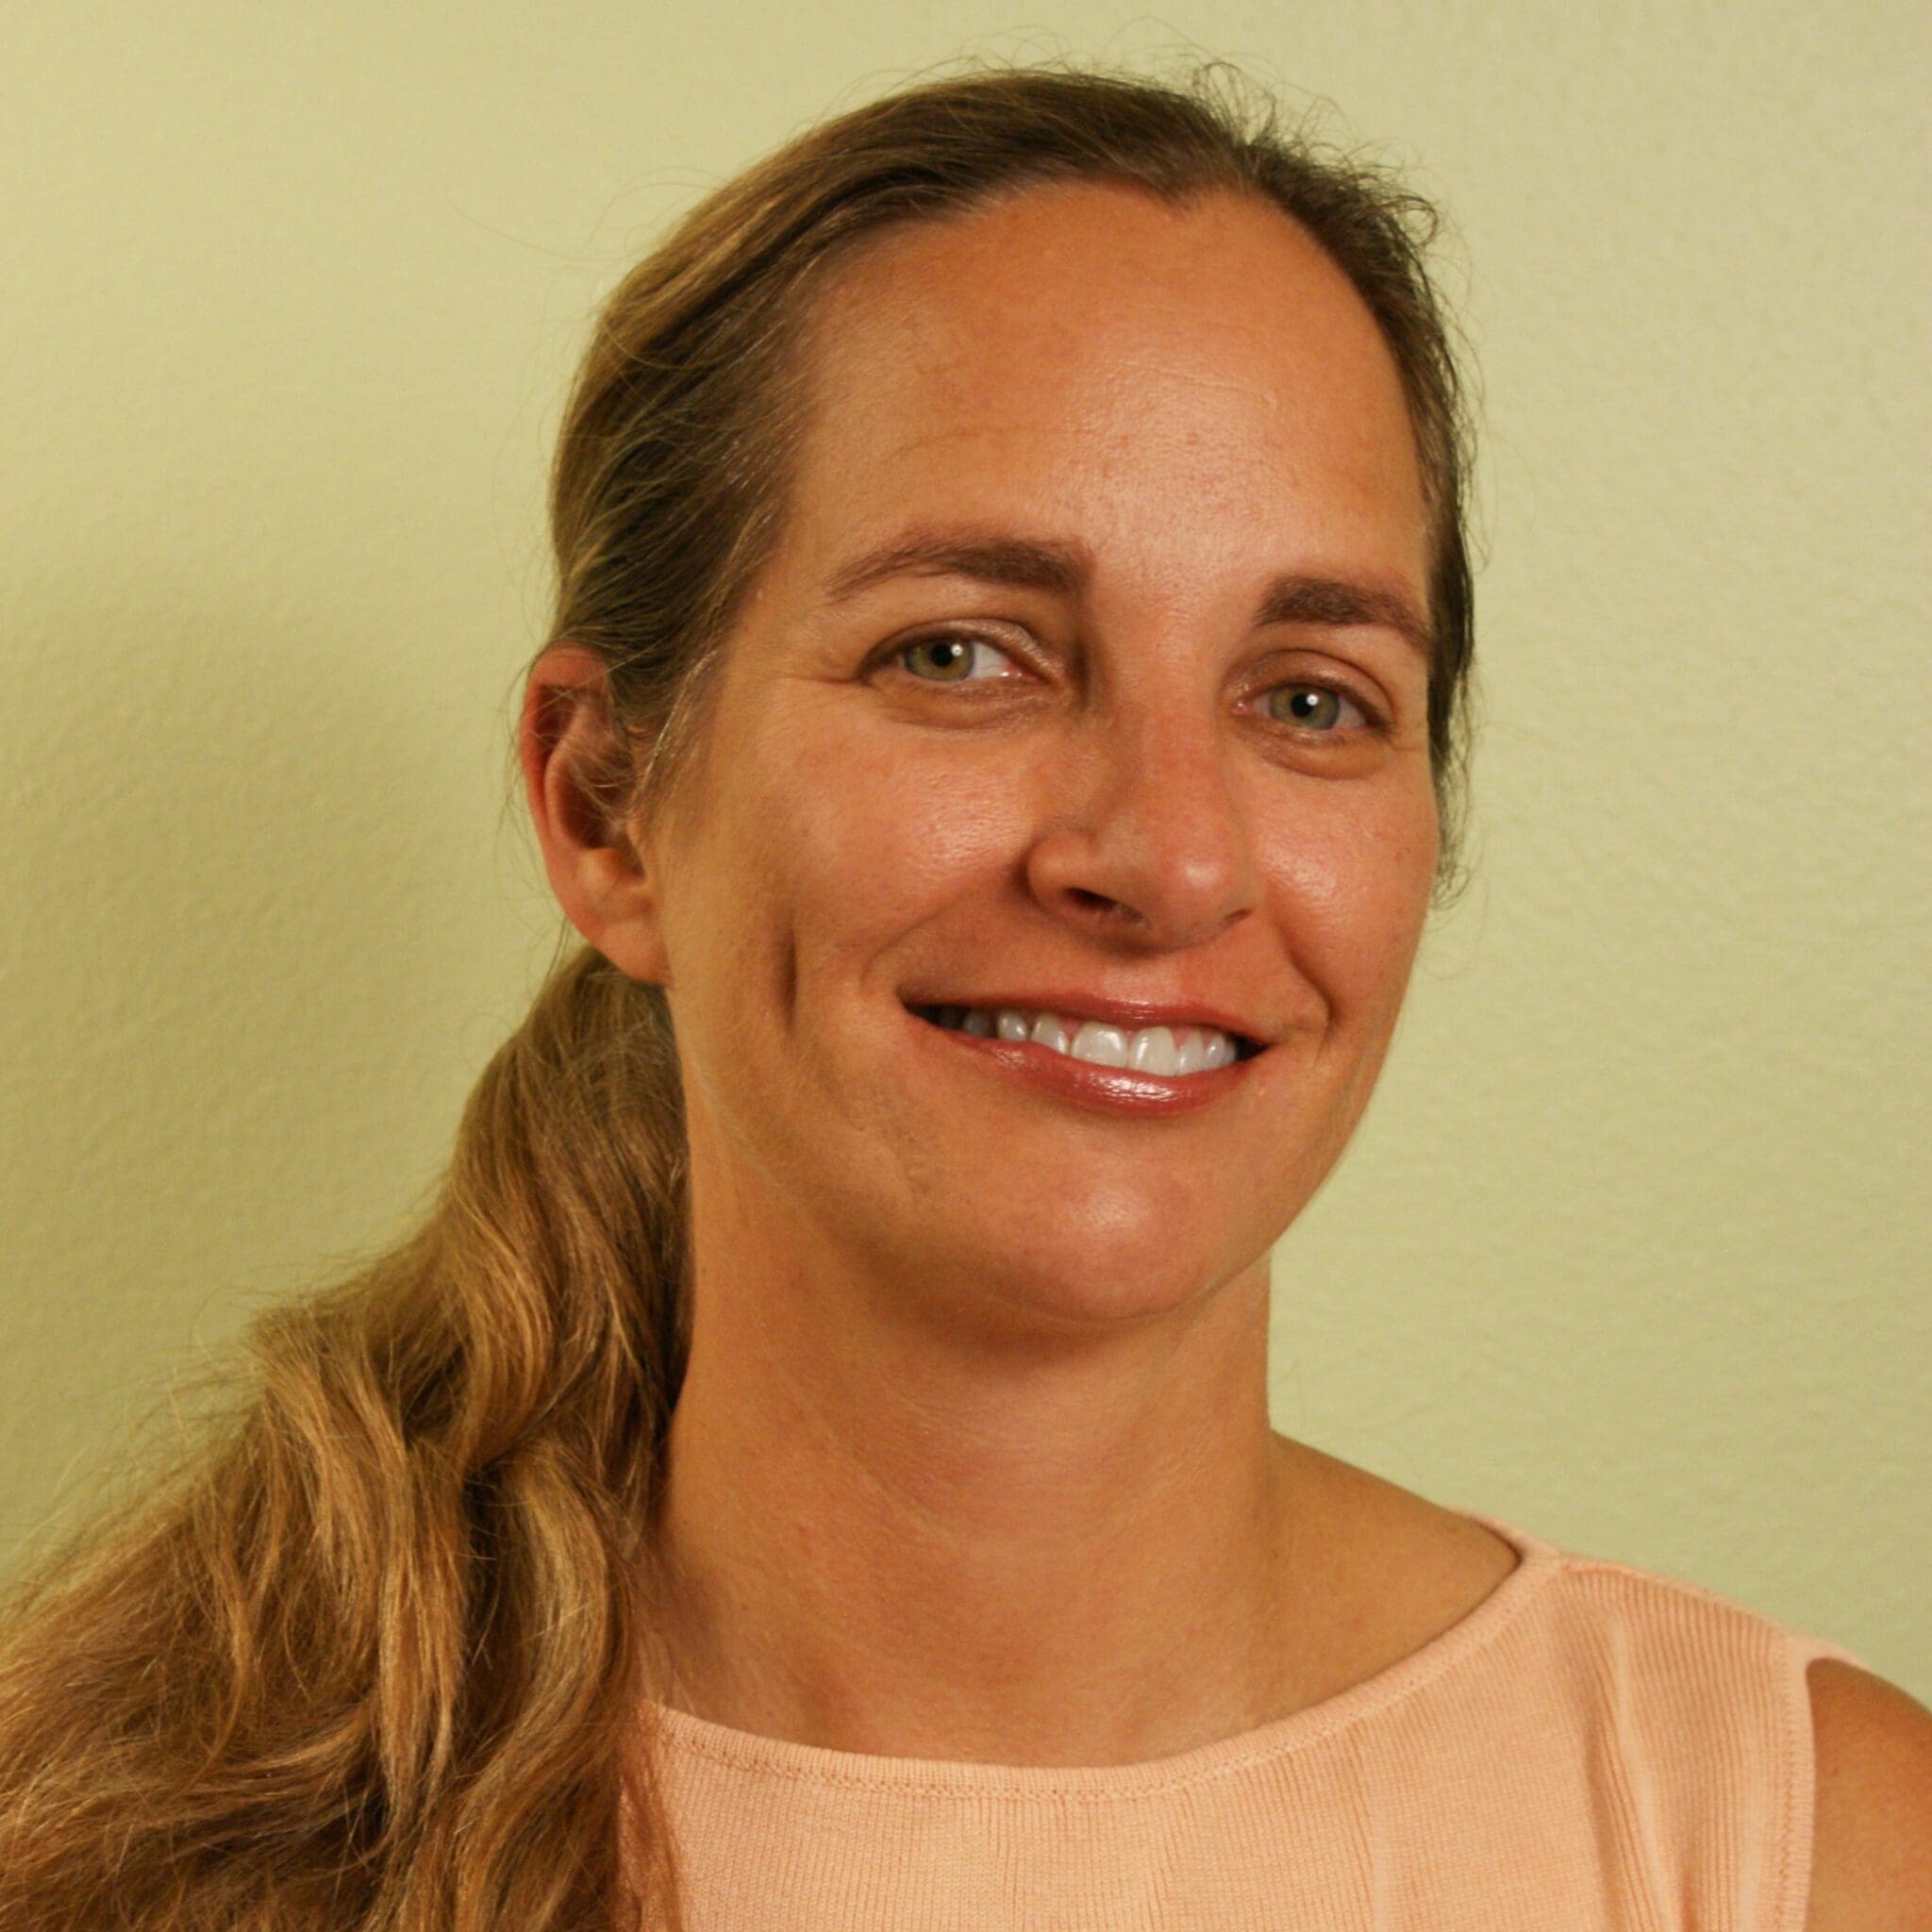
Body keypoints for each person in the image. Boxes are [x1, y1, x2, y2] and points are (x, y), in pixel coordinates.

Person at [1, 58, 1926, 1932]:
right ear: (607, 807)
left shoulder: (1802, 1846)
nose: (1167, 855)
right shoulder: (107, 1823)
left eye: (1308, 697)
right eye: (961, 653)